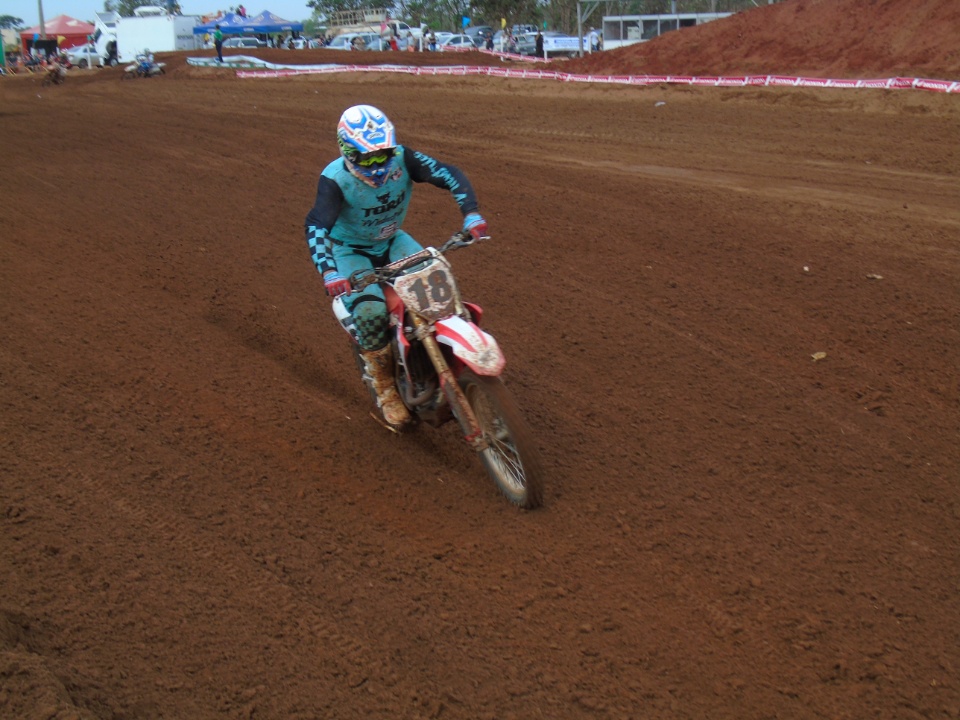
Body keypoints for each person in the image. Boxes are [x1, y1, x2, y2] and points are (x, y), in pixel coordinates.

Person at [304, 105, 489, 428]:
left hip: (393, 241)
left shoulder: (404, 160)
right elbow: (317, 225)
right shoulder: (335, 179)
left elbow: (448, 173)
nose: (379, 165)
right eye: (369, 158)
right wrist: (329, 270)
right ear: (348, 152)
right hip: (350, 251)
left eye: (384, 154)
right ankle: (385, 388)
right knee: (371, 312)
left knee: (437, 281)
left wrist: (470, 212)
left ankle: (448, 352)